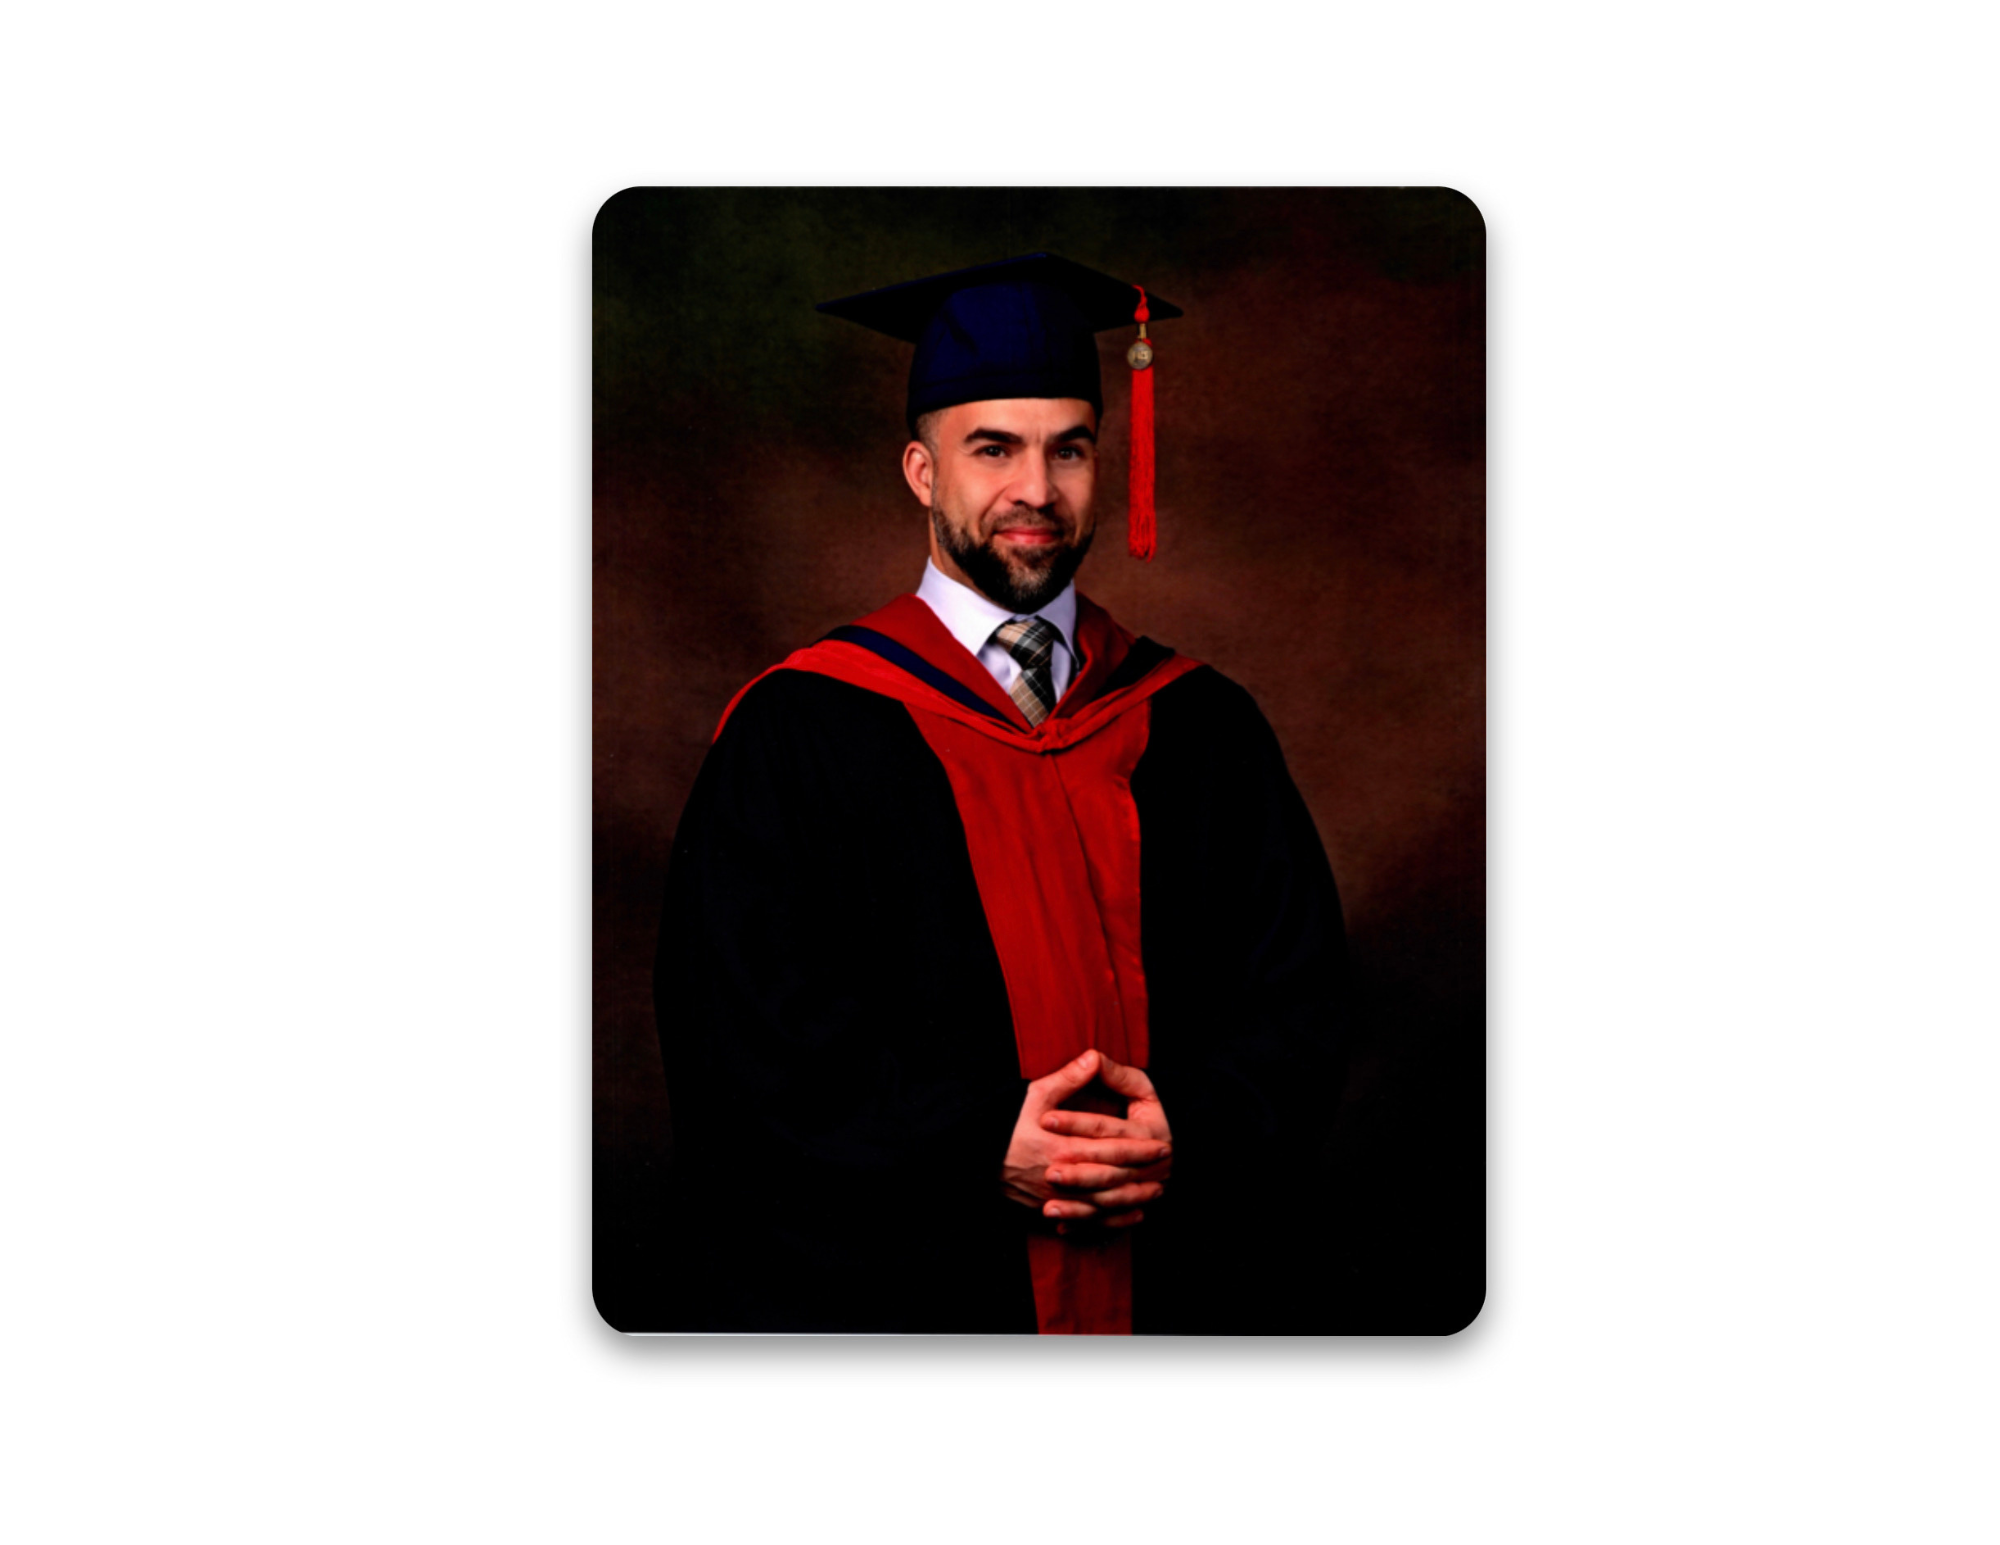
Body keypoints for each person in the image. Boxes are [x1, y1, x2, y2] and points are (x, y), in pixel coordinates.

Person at [655, 254, 1346, 1334]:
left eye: (1068, 448)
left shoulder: (1203, 725)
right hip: (917, 1298)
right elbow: (739, 1039)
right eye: (994, 449)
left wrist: (1184, 1129)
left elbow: (1298, 1000)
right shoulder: (799, 730)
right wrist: (976, 1143)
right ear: (922, 472)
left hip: (1175, 1292)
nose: (1036, 489)